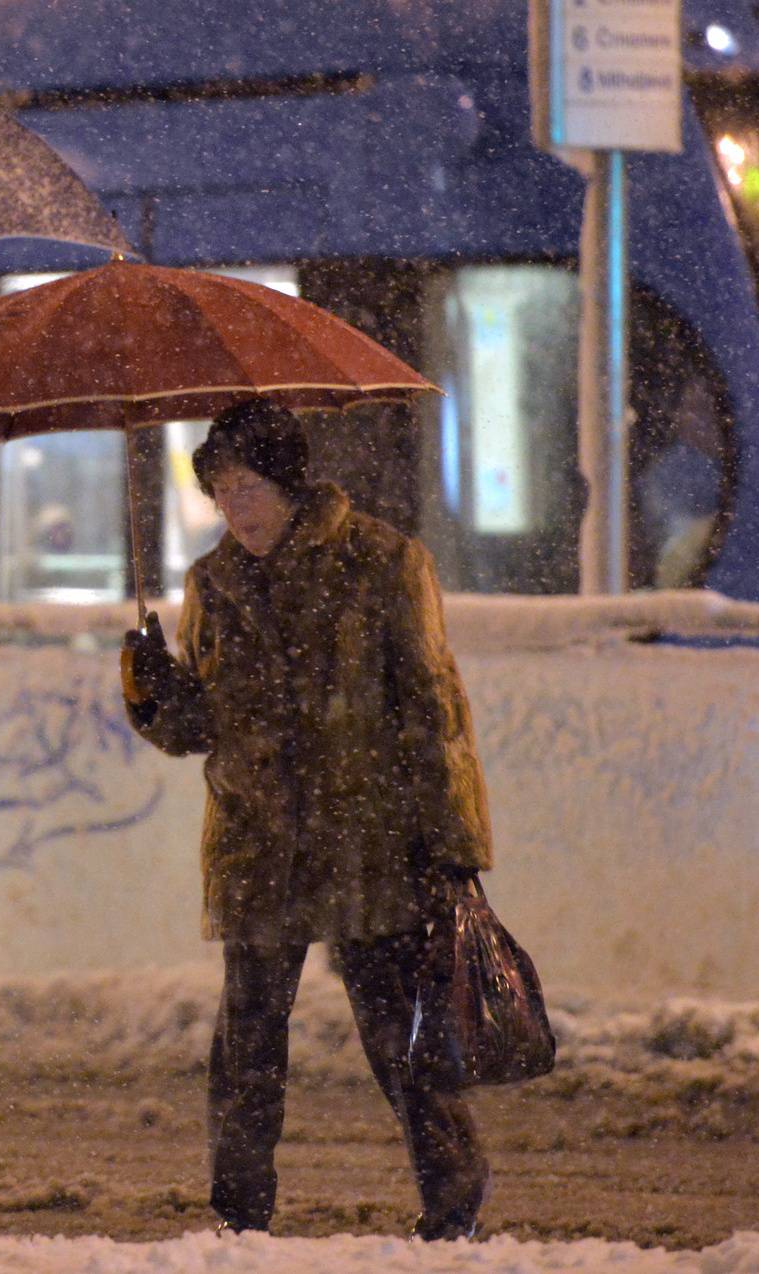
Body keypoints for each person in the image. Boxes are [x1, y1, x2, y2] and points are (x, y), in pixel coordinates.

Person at [120, 397, 494, 1241]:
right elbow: (202, 723)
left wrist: (453, 846)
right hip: (258, 843)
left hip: (367, 838)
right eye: (220, 490)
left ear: (289, 483)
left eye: (246, 486)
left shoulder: (383, 562)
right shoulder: (210, 583)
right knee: (246, 1048)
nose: (233, 508)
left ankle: (455, 1202)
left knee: (398, 1040)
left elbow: (434, 713)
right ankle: (238, 1219)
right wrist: (150, 691)